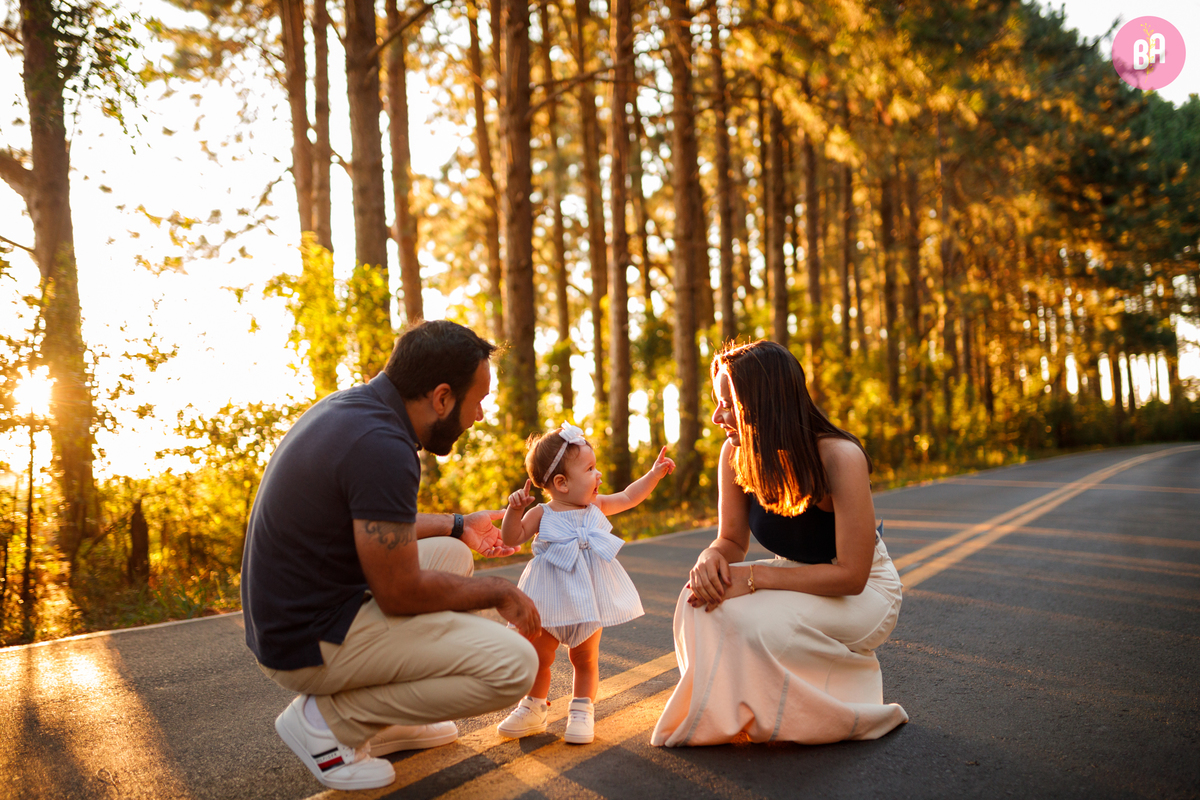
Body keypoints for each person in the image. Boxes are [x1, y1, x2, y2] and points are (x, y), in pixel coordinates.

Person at [241, 320, 541, 791]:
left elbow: (370, 524)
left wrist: (460, 525)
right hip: (305, 639)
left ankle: (392, 722)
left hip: (297, 616)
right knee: (516, 665)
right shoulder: (382, 446)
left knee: (451, 554)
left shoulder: (355, 411)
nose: (479, 415)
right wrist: (499, 590)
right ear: (442, 397)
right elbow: (400, 592)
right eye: (476, 401)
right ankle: (329, 722)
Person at [650, 340, 908, 747]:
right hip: (796, 576)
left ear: (764, 402)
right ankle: (727, 715)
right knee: (696, 601)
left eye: (727, 404)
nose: (717, 417)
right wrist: (709, 558)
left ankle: (836, 703)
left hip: (864, 592)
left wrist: (754, 577)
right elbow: (732, 539)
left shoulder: (840, 457)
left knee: (758, 624)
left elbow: (853, 576)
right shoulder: (735, 452)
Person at [495, 422, 675, 744]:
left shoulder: (596, 506)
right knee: (540, 656)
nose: (599, 475)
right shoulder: (541, 513)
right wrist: (513, 510)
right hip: (548, 600)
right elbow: (512, 538)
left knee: (585, 659)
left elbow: (630, 496)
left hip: (588, 599)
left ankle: (582, 710)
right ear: (561, 483)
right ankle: (534, 707)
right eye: (590, 469)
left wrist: (654, 475)